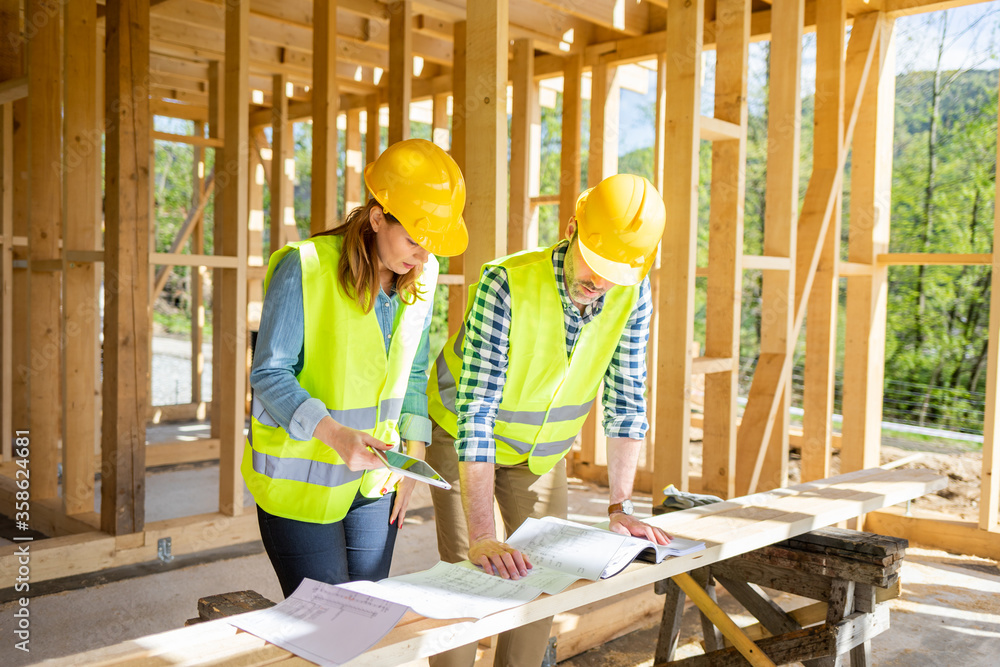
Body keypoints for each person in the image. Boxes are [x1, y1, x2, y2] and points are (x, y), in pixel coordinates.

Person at [425, 173, 671, 667]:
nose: (600, 283)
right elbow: (478, 410)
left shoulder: (632, 293)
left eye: (615, 273)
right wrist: (482, 536)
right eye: (596, 264)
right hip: (462, 434)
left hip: (540, 452)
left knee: (544, 574)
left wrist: (619, 505)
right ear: (572, 225)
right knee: (466, 570)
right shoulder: (506, 282)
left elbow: (626, 399)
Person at [243, 138, 468, 599]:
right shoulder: (304, 268)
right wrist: (336, 435)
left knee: (365, 615)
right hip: (303, 483)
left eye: (432, 247)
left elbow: (413, 372)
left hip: (376, 479)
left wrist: (414, 461)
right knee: (326, 623)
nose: (422, 257)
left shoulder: (420, 276)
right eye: (413, 241)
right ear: (378, 217)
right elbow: (269, 375)